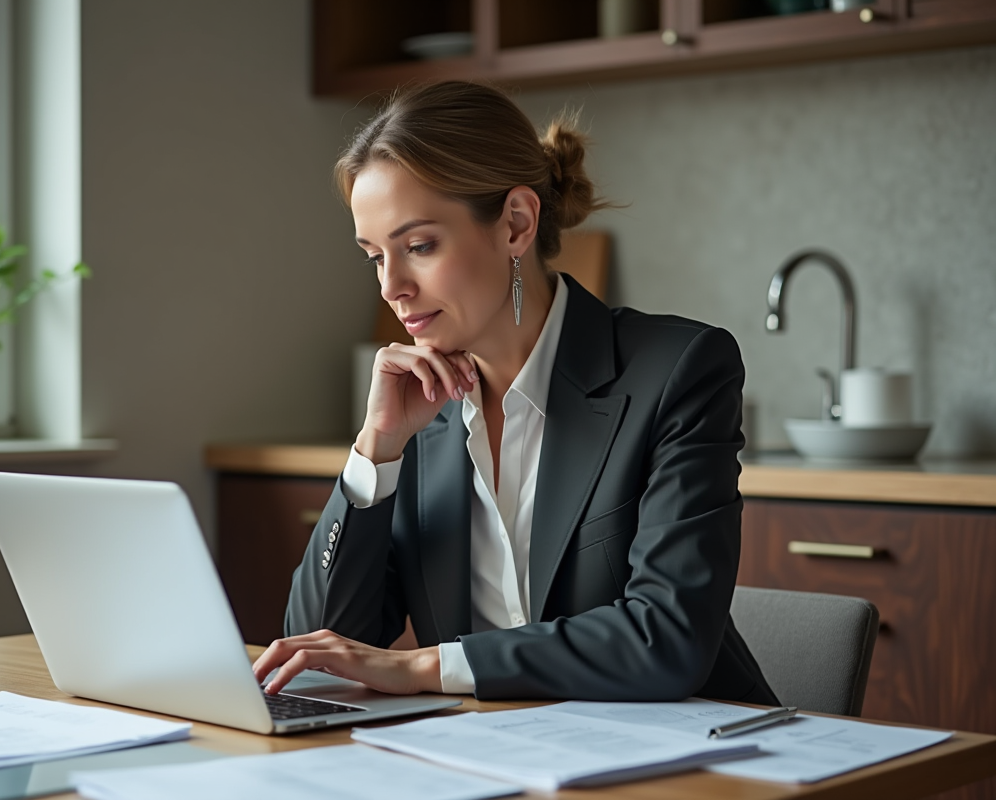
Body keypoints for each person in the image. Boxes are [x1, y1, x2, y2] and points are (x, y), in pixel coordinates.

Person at [252, 81, 778, 705]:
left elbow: (667, 638)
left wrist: (426, 668)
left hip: (698, 758)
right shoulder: (418, 414)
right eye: (375, 256)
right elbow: (322, 644)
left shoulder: (677, 371)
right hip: (502, 757)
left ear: (516, 225)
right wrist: (377, 451)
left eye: (419, 246)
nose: (392, 286)